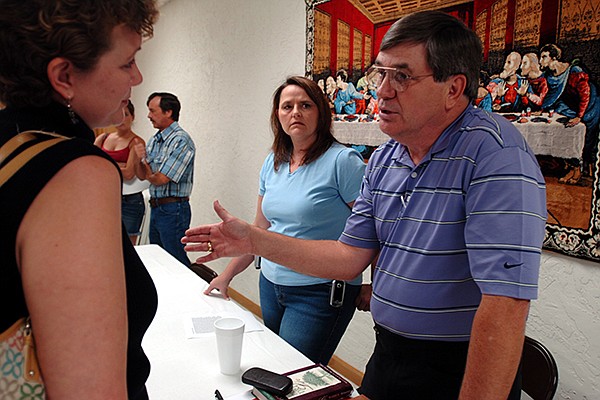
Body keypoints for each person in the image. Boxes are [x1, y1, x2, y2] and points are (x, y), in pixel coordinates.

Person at [183, 10, 547, 400]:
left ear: (454, 88)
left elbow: (506, 303)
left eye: (402, 77)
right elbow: (347, 256)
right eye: (381, 74)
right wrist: (255, 240)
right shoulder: (388, 157)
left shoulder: (496, 155)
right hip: (391, 352)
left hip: (455, 365)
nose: (382, 90)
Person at [0, 1, 158, 399]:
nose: (136, 77)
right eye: (127, 63)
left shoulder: (10, 141)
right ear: (64, 76)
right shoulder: (73, 171)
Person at [204, 76, 368, 364]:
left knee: (295, 373)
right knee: (274, 366)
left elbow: (375, 229)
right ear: (277, 115)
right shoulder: (274, 161)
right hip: (271, 284)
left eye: (305, 105)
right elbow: (258, 232)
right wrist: (226, 276)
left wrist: (375, 285)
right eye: (287, 106)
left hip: (319, 292)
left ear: (320, 112)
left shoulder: (343, 161)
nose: (295, 112)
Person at [134, 92, 195, 266]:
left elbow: (160, 179)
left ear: (168, 112)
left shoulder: (181, 140)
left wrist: (145, 163)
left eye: (153, 111)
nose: (149, 116)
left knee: (175, 260)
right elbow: (143, 176)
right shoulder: (155, 140)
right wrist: (139, 158)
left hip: (173, 209)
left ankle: (186, 292)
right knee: (158, 258)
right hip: (157, 207)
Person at [540, 43, 600, 183]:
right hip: (571, 107)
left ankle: (582, 172)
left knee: (587, 139)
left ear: (554, 58)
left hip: (589, 106)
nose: (541, 61)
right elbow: (552, 95)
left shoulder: (574, 71)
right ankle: (572, 170)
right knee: (567, 132)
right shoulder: (549, 75)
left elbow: (585, 94)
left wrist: (579, 116)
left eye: (544, 57)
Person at [95, 100, 148, 244]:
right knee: (103, 242)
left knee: (127, 248)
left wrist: (104, 162)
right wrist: (120, 165)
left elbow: (129, 174)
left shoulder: (137, 142)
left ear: (133, 116)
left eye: (126, 114)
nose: (122, 119)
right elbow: (92, 165)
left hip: (129, 200)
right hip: (105, 195)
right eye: (118, 114)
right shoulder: (103, 138)